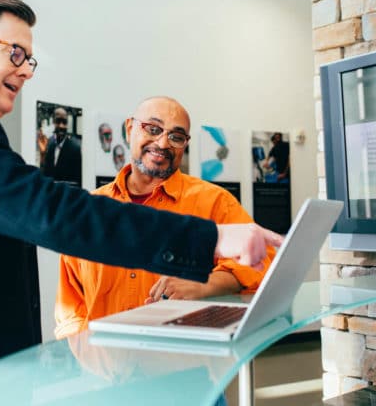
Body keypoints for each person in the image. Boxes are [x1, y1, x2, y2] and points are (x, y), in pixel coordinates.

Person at [0, 0, 282, 406]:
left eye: (29, 59)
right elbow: (50, 211)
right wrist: (211, 240)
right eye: (14, 52)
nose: (26, 70)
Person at [55, 97, 276, 338]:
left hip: (184, 363)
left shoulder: (214, 202)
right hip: (105, 367)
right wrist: (86, 358)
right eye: (153, 129)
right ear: (130, 129)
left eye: (176, 137)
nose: (162, 143)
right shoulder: (91, 210)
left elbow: (263, 261)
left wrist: (204, 284)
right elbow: (70, 307)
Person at [37, 107, 82, 187]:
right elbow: (44, 176)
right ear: (53, 122)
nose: (61, 126)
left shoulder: (75, 149)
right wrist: (42, 155)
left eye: (64, 122)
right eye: (58, 121)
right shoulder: (49, 145)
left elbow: (78, 183)